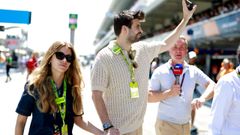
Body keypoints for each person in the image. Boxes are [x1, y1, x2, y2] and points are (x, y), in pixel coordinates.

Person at [91, 0, 196, 134]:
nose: (141, 30)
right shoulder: (104, 57)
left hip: (138, 127)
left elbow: (167, 43)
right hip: (116, 131)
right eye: (137, 26)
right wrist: (108, 126)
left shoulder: (142, 49)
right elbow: (96, 95)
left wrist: (185, 19)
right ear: (124, 29)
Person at [15, 41, 104, 135]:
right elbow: (21, 121)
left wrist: (102, 133)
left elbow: (78, 120)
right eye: (60, 55)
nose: (64, 60)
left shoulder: (73, 88)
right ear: (50, 58)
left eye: (69, 58)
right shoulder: (34, 86)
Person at [148, 36, 215, 135]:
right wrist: (169, 93)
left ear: (186, 51)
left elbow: (213, 85)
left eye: (182, 47)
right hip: (166, 125)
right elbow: (149, 97)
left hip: (186, 125)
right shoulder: (160, 71)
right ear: (169, 49)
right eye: (174, 47)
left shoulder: (193, 70)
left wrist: (202, 99)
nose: (178, 50)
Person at [208, 45, 240, 135]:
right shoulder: (227, 81)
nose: (225, 65)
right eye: (224, 64)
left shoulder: (230, 70)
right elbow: (215, 123)